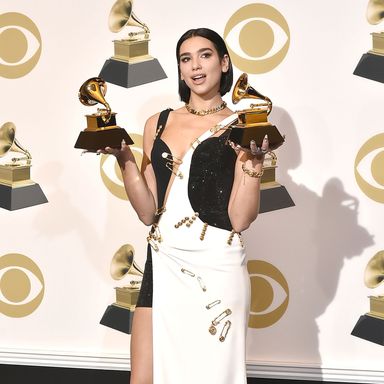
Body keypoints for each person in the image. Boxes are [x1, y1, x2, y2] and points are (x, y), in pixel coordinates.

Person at [100, 27, 274, 384]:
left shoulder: (243, 127)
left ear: (224, 63)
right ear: (179, 69)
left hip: (216, 267)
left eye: (205, 55)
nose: (195, 66)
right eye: (186, 58)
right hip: (164, 260)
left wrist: (254, 165)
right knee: (143, 377)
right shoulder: (158, 123)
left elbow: (240, 219)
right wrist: (124, 159)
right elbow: (149, 211)